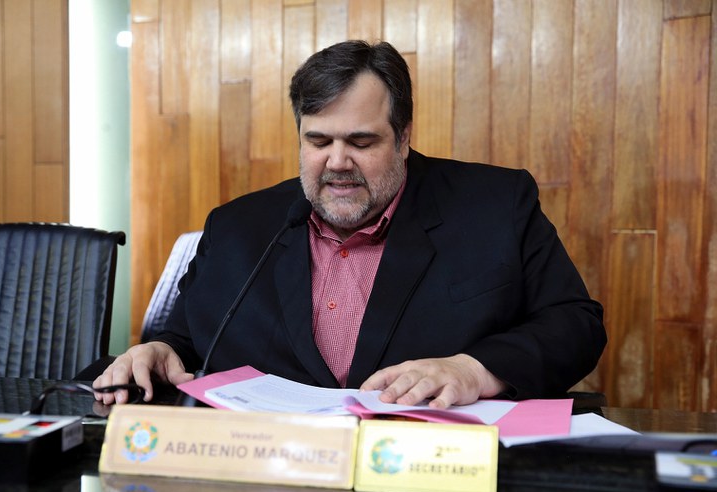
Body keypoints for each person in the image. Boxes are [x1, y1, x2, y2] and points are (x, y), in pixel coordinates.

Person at [93, 40, 606, 408]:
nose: (337, 162)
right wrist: (159, 350)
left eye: (361, 142)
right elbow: (187, 339)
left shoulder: (494, 206)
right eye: (318, 141)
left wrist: (474, 370)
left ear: (403, 137)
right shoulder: (238, 227)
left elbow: (575, 325)